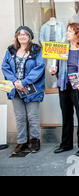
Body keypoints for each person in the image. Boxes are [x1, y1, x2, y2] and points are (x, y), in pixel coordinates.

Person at [50, 23, 79, 157]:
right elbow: (54, 66)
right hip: (64, 84)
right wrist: (52, 70)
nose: (67, 33)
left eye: (70, 31)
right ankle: (66, 144)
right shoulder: (62, 48)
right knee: (66, 115)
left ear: (78, 34)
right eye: (67, 31)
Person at [2, 26, 45, 154]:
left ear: (30, 36)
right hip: (15, 89)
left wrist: (24, 82)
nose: (22, 37)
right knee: (20, 117)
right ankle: (21, 141)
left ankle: (35, 140)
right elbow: (5, 67)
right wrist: (15, 82)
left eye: (25, 34)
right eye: (20, 34)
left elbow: (39, 68)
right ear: (17, 37)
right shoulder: (10, 50)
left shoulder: (36, 50)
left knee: (32, 116)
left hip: (32, 88)